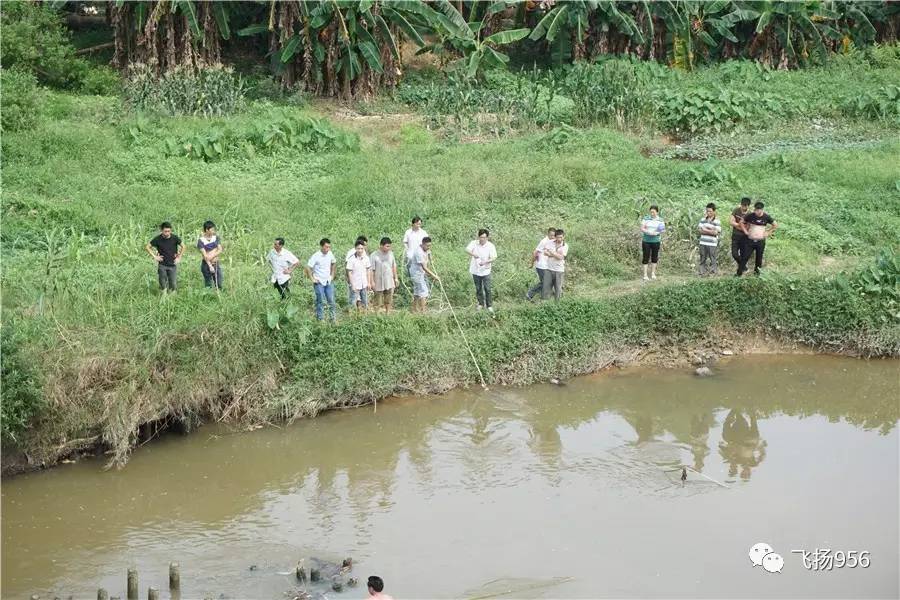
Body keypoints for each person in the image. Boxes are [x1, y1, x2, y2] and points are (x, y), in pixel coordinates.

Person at [737, 201, 778, 276]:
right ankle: (739, 273)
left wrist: (768, 232)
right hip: (750, 240)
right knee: (745, 257)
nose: (757, 211)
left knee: (759, 258)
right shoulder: (751, 215)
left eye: (758, 210)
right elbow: (741, 222)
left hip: (760, 241)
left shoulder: (766, 217)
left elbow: (775, 225)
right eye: (755, 210)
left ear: (762, 210)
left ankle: (757, 274)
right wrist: (745, 231)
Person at [304, 238, 337, 321]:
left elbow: (333, 263)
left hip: (328, 281)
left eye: (329, 247)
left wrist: (332, 275)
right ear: (321, 246)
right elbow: (308, 267)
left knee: (331, 300)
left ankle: (332, 318)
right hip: (319, 282)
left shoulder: (330, 254)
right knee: (320, 301)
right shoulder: (316, 256)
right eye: (326, 247)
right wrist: (312, 278)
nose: (328, 249)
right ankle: (320, 319)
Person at [146, 221, 184, 292]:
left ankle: (172, 296)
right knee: (162, 283)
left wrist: (179, 257)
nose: (167, 233)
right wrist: (155, 256)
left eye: (169, 231)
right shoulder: (157, 239)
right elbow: (147, 247)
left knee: (173, 283)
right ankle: (164, 295)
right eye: (165, 231)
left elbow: (183, 246)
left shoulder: (174, 238)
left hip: (173, 264)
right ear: (161, 230)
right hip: (162, 265)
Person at [466, 228, 497, 312]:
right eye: (480, 237)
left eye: (484, 237)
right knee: (478, 288)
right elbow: (467, 250)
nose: (482, 239)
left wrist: (486, 262)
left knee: (487, 288)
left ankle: (489, 305)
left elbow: (494, 257)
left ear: (487, 238)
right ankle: (480, 303)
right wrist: (474, 254)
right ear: (478, 237)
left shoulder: (490, 246)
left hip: (486, 270)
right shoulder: (474, 243)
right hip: (475, 270)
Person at [409, 236, 439, 313]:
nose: (429, 247)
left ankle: (413, 309)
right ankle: (423, 311)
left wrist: (431, 259)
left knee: (417, 292)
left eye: (430, 245)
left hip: (421, 272)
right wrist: (434, 276)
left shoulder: (426, 249)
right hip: (416, 273)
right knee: (423, 291)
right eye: (427, 246)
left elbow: (429, 255)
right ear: (422, 244)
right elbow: (424, 267)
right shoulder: (418, 252)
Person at [369, 237, 398, 313]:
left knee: (388, 298)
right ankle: (376, 315)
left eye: (389, 246)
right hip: (378, 280)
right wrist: (372, 282)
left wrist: (396, 278)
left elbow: (394, 266)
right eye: (387, 246)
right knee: (377, 299)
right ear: (381, 246)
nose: (389, 248)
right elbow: (371, 269)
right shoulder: (374, 255)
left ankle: (387, 313)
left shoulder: (391, 254)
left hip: (389, 280)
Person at [526, 227, 555, 301]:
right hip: (541, 266)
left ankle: (542, 297)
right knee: (545, 282)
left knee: (546, 282)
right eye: (551, 235)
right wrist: (532, 263)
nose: (552, 237)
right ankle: (530, 294)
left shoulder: (552, 242)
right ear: (548, 234)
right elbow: (535, 252)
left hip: (546, 266)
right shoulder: (544, 241)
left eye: (553, 235)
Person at [541, 228, 568, 301]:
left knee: (558, 289)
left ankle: (558, 304)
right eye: (558, 237)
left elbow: (561, 257)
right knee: (546, 287)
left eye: (561, 237)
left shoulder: (565, 245)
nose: (560, 239)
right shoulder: (550, 242)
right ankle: (544, 304)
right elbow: (545, 252)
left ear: (564, 237)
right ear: (555, 237)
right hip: (549, 269)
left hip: (559, 270)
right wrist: (556, 254)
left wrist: (552, 253)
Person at [640, 205, 664, 281]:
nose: (652, 213)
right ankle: (645, 275)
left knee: (654, 257)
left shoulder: (660, 220)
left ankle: (653, 273)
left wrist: (656, 233)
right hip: (646, 241)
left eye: (653, 212)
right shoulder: (646, 218)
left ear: (657, 212)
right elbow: (642, 228)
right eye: (651, 212)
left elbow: (662, 230)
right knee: (645, 257)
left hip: (656, 241)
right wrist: (648, 232)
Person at [346, 240, 372, 311]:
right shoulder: (351, 259)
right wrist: (352, 285)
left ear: (364, 248)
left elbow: (368, 270)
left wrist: (369, 282)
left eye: (361, 248)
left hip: (364, 284)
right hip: (355, 284)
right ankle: (351, 316)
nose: (360, 250)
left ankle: (365, 316)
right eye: (358, 248)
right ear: (355, 248)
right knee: (352, 301)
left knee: (365, 301)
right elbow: (349, 273)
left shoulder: (366, 258)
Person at [697, 203, 722, 277]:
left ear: (714, 211)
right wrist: (711, 229)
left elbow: (716, 233)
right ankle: (702, 272)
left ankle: (713, 272)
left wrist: (705, 229)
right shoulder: (703, 220)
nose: (708, 213)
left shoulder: (717, 221)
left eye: (710, 211)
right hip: (703, 242)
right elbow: (700, 230)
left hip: (712, 243)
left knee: (712, 258)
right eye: (707, 211)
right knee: (702, 257)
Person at [197, 220, 223, 289]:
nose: (213, 231)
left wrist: (212, 255)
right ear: (207, 230)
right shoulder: (201, 240)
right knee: (208, 284)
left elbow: (220, 249)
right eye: (212, 230)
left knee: (219, 282)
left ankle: (218, 296)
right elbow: (205, 255)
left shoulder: (216, 238)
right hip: (206, 265)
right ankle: (208, 297)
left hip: (216, 263)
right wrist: (210, 266)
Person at [730, 196, 751, 267]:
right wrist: (740, 225)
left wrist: (737, 226)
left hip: (744, 237)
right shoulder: (736, 210)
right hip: (735, 236)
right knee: (734, 254)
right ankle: (743, 266)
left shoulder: (750, 214)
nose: (743, 207)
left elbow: (747, 228)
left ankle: (741, 269)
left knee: (743, 254)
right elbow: (731, 221)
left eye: (745, 206)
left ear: (748, 206)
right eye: (742, 205)